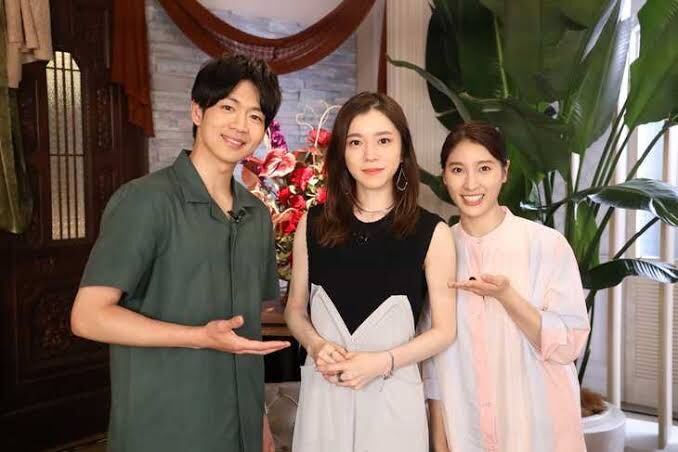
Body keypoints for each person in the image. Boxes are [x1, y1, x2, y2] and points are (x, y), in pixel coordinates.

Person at [70, 54, 291, 452]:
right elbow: (88, 317)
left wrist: (257, 418)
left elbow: (248, 334)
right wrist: (198, 337)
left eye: (255, 116)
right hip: (164, 425)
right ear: (197, 111)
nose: (241, 125)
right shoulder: (144, 201)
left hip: (239, 429)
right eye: (228, 107)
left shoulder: (256, 215)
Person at [284, 91, 457, 452]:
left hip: (393, 400)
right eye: (356, 142)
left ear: (402, 150)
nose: (370, 155)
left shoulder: (432, 232)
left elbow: (444, 331)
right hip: (324, 396)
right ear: (341, 153)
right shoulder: (312, 224)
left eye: (383, 140)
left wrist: (382, 362)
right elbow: (295, 309)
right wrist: (316, 345)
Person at [424, 121, 590, 452]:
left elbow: (569, 344)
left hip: (537, 429)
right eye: (458, 170)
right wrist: (439, 441)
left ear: (504, 171)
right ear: (444, 176)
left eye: (484, 168)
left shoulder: (546, 245)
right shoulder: (437, 249)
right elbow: (434, 360)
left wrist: (507, 297)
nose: (471, 183)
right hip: (466, 428)